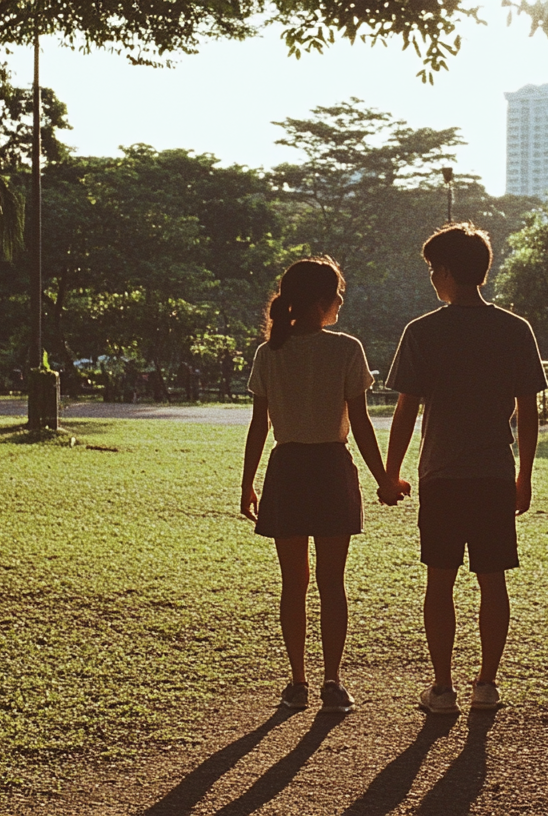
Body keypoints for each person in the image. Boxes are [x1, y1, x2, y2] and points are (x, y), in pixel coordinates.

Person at [381, 222, 548, 715]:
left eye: (434, 269)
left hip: (441, 476)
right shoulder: (515, 329)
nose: (432, 277)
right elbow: (528, 410)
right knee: (492, 579)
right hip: (495, 472)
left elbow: (407, 410)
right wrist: (525, 475)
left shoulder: (423, 331)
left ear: (448, 272)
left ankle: (442, 687)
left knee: (440, 580)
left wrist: (391, 472)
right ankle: (487, 683)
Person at [240, 257, 408, 714]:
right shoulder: (346, 349)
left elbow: (260, 426)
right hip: (333, 469)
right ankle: (332, 681)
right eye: (338, 296)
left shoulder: (268, 352)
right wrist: (385, 480)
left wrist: (247, 483)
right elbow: (361, 422)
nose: (340, 303)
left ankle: (297, 682)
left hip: (287, 469)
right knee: (332, 583)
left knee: (293, 584)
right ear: (322, 301)